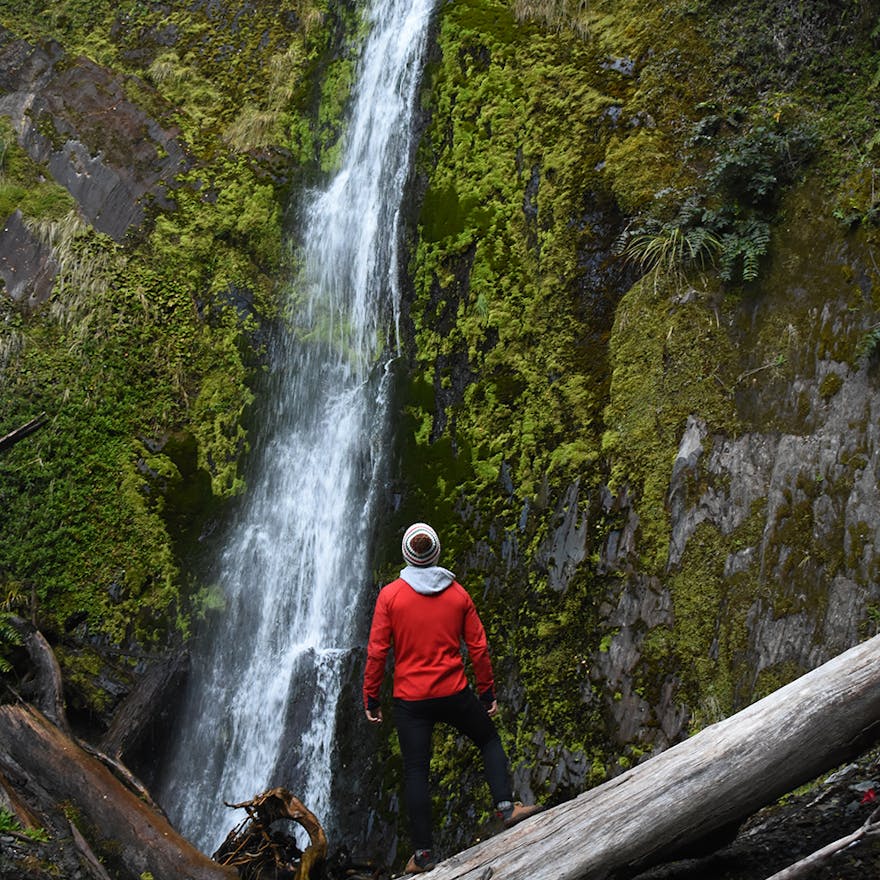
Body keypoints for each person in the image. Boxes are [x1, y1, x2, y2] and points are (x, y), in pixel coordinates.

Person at [363, 522, 541, 874]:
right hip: (454, 692)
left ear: (406, 555)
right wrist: (487, 690)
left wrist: (371, 698)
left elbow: (377, 652)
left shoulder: (391, 596)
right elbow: (478, 647)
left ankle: (424, 854)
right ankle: (506, 807)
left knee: (416, 770)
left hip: (411, 701)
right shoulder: (457, 594)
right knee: (488, 739)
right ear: (437, 552)